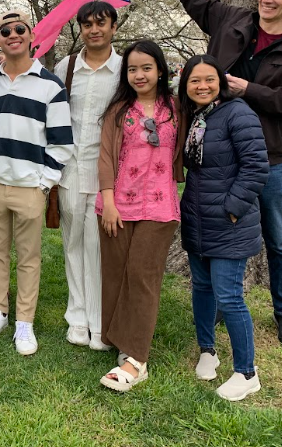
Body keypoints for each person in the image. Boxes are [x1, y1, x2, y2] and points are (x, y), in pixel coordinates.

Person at [145, 0, 282, 348]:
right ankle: (229, 305)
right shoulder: (232, 21)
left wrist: (249, 90)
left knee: (278, 237)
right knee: (219, 232)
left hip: (271, 161)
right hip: (215, 159)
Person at [0, 10, 73, 356]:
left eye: (20, 29)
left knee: (29, 257)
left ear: (32, 36)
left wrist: (44, 183)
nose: (13, 34)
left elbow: (62, 142)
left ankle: (24, 321)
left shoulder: (50, 85)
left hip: (30, 186)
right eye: (5, 31)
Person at [94, 41, 184, 392]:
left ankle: (136, 360)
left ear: (160, 70)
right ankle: (121, 338)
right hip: (118, 205)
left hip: (159, 207)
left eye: (146, 67)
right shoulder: (119, 110)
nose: (139, 75)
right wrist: (108, 202)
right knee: (116, 274)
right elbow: (104, 158)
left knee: (142, 277)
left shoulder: (176, 110)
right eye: (132, 69)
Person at [178, 54, 269, 401]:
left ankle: (247, 372)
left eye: (209, 79)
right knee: (202, 287)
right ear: (186, 85)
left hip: (228, 221)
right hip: (198, 218)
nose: (202, 86)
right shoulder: (197, 117)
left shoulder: (237, 113)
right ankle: (208, 350)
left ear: (221, 82)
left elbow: (256, 166)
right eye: (194, 81)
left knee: (229, 296)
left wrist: (231, 209)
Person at [54, 1, 123, 352]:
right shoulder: (66, 68)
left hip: (107, 175)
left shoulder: (124, 69)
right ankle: (77, 317)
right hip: (69, 170)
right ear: (79, 28)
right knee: (73, 244)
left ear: (113, 27)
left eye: (101, 23)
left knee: (98, 248)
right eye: (87, 24)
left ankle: (99, 322)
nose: (94, 29)